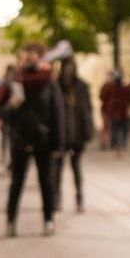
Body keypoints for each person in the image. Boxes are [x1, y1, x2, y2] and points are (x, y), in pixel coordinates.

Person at [4, 43, 66, 237]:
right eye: (26, 56)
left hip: (43, 140)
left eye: (32, 56)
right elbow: (3, 114)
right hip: (21, 139)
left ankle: (48, 220)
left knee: (46, 183)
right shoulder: (16, 82)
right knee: (17, 182)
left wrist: (58, 144)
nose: (28, 60)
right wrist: (11, 106)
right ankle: (11, 220)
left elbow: (57, 114)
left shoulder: (50, 82)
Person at [58, 57, 94, 212]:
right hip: (61, 134)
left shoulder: (81, 87)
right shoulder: (57, 86)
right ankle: (56, 198)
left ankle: (79, 197)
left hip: (77, 134)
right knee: (57, 169)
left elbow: (87, 110)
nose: (68, 70)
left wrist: (87, 132)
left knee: (76, 168)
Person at [100, 70, 130, 157]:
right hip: (117, 113)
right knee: (119, 131)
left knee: (119, 131)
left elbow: (102, 97)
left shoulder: (111, 88)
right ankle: (119, 148)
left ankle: (119, 148)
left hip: (119, 113)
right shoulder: (110, 88)